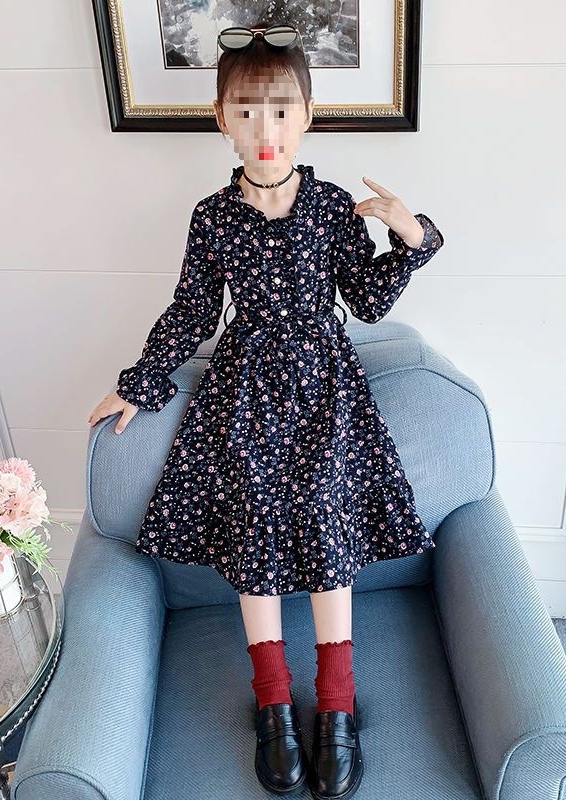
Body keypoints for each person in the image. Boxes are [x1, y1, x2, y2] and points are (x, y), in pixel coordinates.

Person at [87, 21, 444, 800]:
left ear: (307, 116)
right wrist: (140, 380)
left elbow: (367, 300)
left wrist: (410, 238)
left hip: (326, 390)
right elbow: (192, 311)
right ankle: (274, 704)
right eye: (246, 111)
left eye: (280, 110)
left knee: (324, 519)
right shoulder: (212, 217)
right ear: (222, 119)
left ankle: (338, 706)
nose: (264, 127)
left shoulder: (332, 208)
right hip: (242, 392)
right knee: (252, 523)